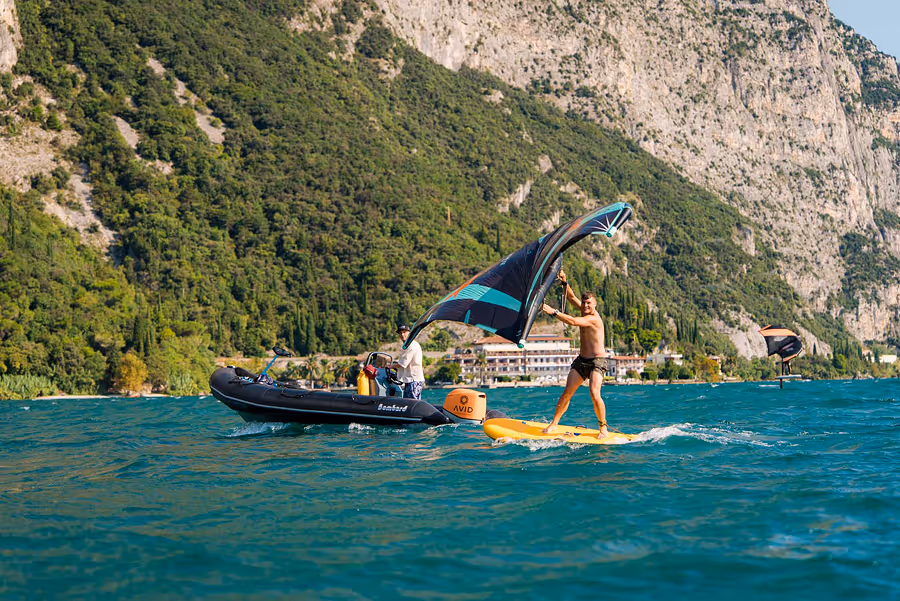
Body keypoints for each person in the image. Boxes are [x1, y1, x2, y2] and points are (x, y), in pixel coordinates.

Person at [540, 269, 609, 436]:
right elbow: (571, 298)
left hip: (597, 362)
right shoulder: (585, 310)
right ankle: (554, 424)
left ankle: (603, 428)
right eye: (584, 303)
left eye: (589, 303)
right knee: (567, 392)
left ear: (595, 304)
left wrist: (554, 312)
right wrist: (564, 281)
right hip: (581, 361)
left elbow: (572, 321)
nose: (585, 306)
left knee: (594, 393)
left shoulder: (593, 318)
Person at [392, 325, 425, 400]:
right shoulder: (407, 345)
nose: (402, 335)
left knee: (412, 402)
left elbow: (403, 363)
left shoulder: (411, 345)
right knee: (409, 402)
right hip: (410, 380)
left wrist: (390, 366)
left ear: (409, 333)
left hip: (413, 380)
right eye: (400, 333)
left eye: (404, 332)